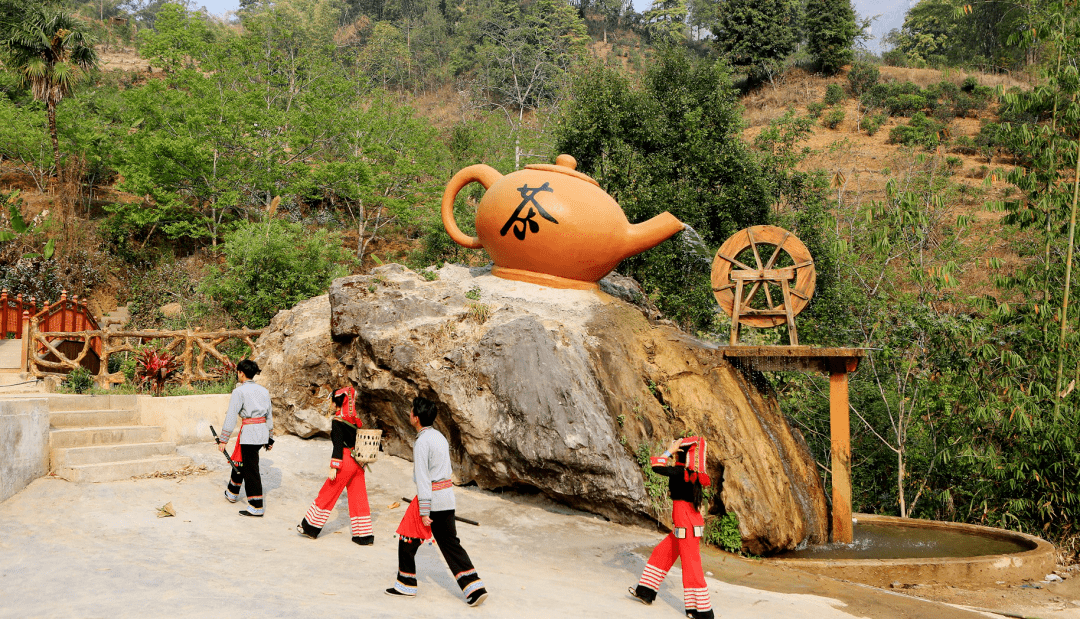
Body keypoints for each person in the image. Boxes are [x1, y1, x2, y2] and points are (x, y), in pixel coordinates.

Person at [385, 396, 488, 607]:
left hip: (430, 501)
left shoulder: (422, 442)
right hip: (447, 498)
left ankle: (406, 585)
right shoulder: (439, 436)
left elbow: (424, 478)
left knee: (406, 537)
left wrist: (424, 511)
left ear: (416, 418)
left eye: (411, 410)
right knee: (451, 544)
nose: (409, 413)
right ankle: (475, 588)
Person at [629, 436, 715, 619]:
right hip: (686, 524)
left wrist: (670, 449)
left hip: (686, 525)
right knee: (661, 554)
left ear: (679, 454)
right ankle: (645, 592)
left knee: (691, 565)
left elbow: (656, 466)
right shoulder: (690, 474)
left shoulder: (680, 472)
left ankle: (703, 612)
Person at [296, 385, 374, 545]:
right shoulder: (356, 421)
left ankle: (310, 527)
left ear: (339, 403)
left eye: (333, 401)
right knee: (359, 498)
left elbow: (338, 446)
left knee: (327, 493)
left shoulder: (338, 422)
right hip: (359, 463)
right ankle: (364, 536)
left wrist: (334, 466)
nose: (331, 404)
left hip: (344, 461)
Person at [217, 359, 274, 517]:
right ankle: (232, 493)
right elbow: (269, 416)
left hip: (250, 434)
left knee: (251, 470)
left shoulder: (239, 392)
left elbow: (231, 416)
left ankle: (256, 506)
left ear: (241, 373)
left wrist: (223, 439)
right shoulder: (263, 391)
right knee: (240, 461)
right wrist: (270, 437)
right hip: (261, 432)